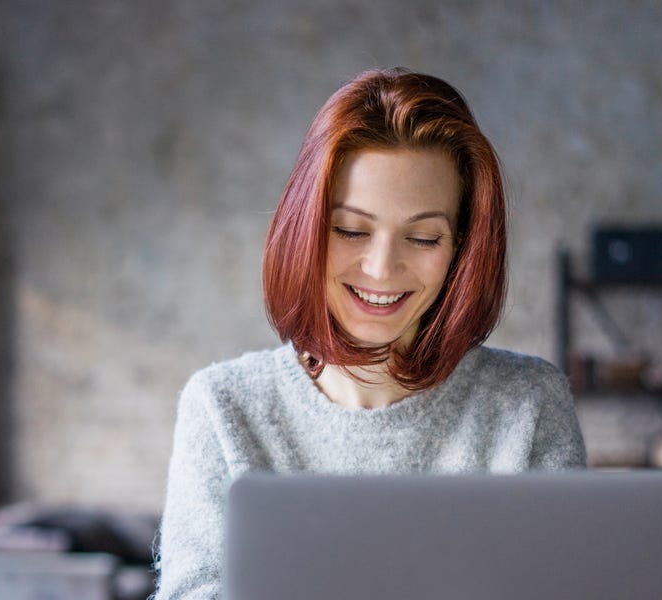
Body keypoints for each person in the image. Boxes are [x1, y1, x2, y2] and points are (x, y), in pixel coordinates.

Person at [152, 67, 586, 600]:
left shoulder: (527, 405)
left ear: (462, 252)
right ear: (305, 229)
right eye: (352, 230)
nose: (382, 268)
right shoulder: (224, 408)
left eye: (424, 237)